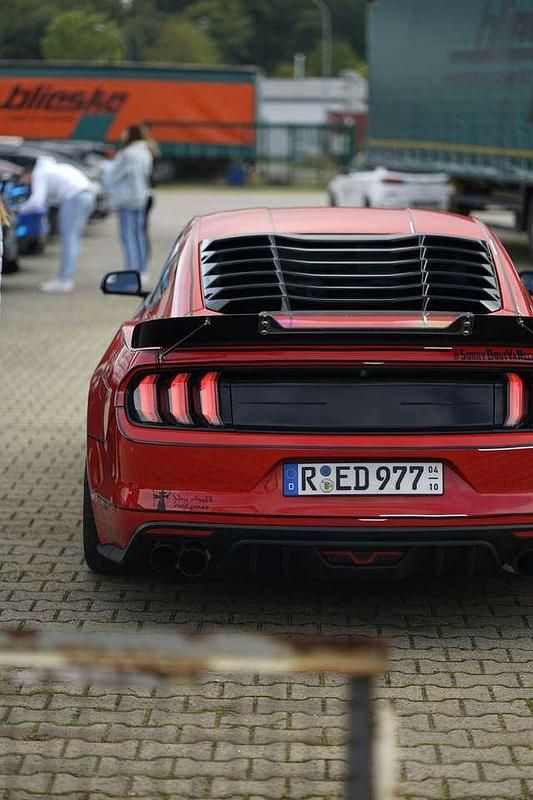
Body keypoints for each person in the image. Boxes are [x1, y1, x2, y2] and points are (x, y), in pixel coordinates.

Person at [19, 157, 95, 293]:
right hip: (86, 195)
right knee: (73, 239)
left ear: (27, 173)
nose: (25, 183)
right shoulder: (52, 168)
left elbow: (37, 201)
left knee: (69, 239)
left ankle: (64, 280)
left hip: (73, 197)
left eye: (23, 179)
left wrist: (19, 209)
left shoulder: (39, 173)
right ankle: (66, 278)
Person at [108, 125, 153, 287]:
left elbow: (115, 175)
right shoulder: (145, 151)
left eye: (124, 132)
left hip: (127, 199)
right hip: (141, 197)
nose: (121, 134)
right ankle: (143, 270)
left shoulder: (128, 154)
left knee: (128, 237)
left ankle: (130, 274)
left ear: (131, 135)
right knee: (139, 235)